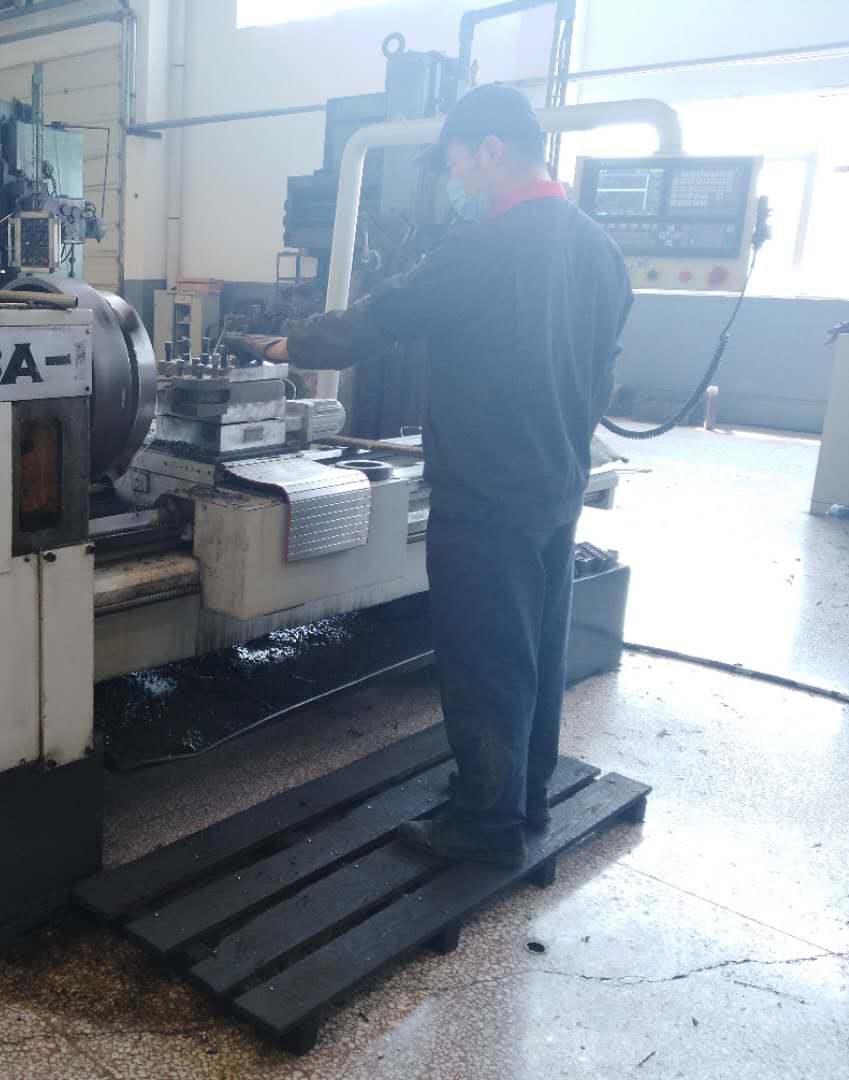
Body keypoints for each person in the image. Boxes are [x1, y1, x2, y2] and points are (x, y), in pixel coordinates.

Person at [225, 85, 633, 866]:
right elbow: (602, 369)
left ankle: (484, 827)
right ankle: (522, 793)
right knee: (535, 648)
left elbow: (381, 318)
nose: (455, 179)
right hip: (555, 484)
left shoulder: (485, 247)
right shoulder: (595, 245)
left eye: (456, 162)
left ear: (489, 150)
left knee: (483, 656)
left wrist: (286, 346)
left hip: (484, 492)